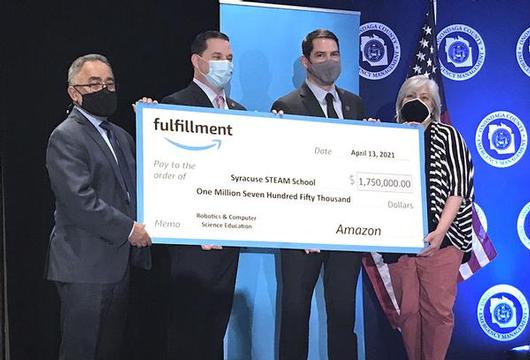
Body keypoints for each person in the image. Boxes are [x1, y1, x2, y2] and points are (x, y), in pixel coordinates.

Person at [45, 54, 152, 360]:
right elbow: (79, 200)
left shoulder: (120, 136)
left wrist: (151, 122)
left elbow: (141, 185)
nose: (104, 90)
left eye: (109, 83)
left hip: (118, 267)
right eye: (94, 84)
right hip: (84, 267)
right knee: (82, 350)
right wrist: (129, 229)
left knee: (108, 350)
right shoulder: (66, 136)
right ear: (74, 92)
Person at [271, 29, 364, 360]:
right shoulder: (286, 106)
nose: (329, 62)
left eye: (335, 55)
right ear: (306, 61)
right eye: (321, 56)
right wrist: (302, 223)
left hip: (346, 230)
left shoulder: (354, 104)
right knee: (296, 313)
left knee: (343, 315)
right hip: (302, 231)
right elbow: (281, 172)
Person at [161, 30, 245, 360]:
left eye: (229, 58)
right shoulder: (175, 105)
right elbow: (171, 175)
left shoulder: (240, 111)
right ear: (197, 62)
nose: (226, 65)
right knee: (188, 329)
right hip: (193, 242)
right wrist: (195, 224)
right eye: (217, 58)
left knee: (215, 327)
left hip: (229, 237)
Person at [383, 75, 474, 360]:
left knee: (438, 311)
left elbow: (459, 189)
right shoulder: (386, 138)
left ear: (433, 106)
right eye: (412, 97)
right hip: (399, 243)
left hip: (443, 240)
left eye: (425, 98)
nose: (418, 103)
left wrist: (441, 231)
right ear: (401, 103)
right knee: (408, 311)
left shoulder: (449, 137)